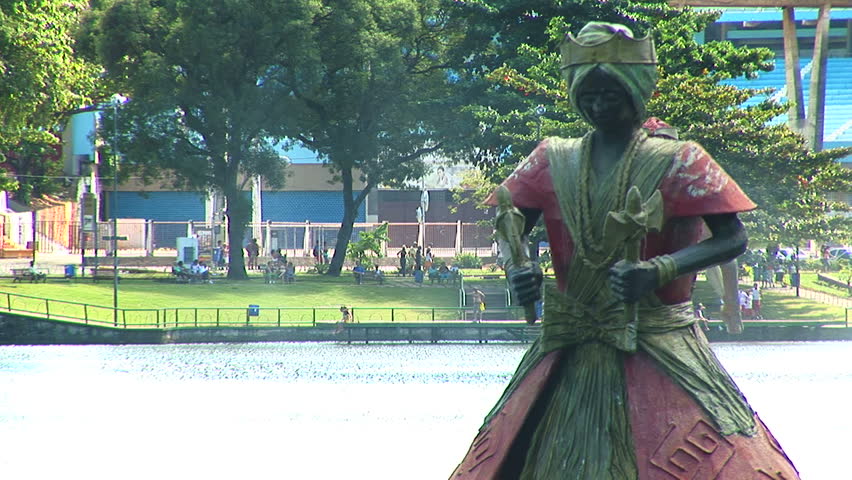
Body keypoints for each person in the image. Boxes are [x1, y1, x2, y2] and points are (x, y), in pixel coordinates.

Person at [452, 22, 799, 479]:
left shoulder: (681, 160)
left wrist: (661, 269)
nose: (598, 107)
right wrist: (520, 267)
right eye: (588, 97)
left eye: (610, 96)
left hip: (655, 339)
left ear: (636, 93)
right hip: (569, 344)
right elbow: (510, 224)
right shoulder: (550, 160)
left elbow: (733, 237)